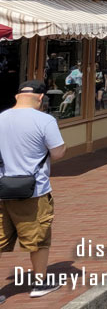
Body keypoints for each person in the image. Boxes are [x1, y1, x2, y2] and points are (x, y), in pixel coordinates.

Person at [0, 81, 66, 299]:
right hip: (34, 190)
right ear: (40, 98)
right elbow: (57, 153)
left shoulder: (1, 118)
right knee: (38, 240)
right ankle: (40, 283)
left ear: (18, 96)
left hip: (2, 188)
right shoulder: (45, 120)